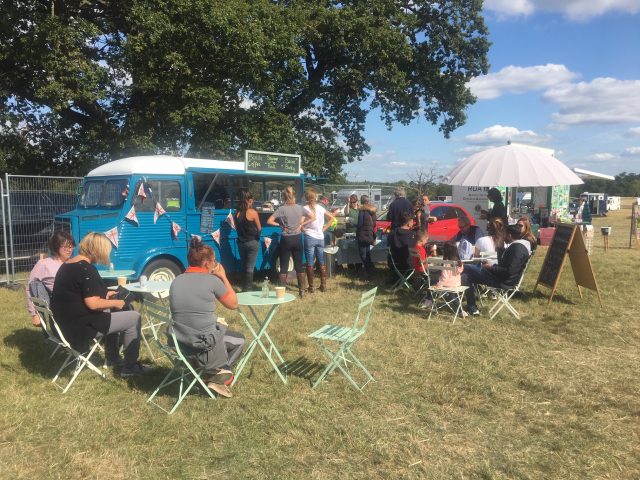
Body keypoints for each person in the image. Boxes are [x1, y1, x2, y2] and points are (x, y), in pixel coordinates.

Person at [50, 232, 150, 377]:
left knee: (114, 312)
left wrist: (106, 295)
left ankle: (113, 358)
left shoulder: (67, 265)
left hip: (64, 324)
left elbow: (81, 294)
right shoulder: (86, 269)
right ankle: (130, 367)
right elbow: (93, 303)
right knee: (133, 317)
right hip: (80, 328)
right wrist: (117, 302)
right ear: (98, 250)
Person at [169, 237, 243, 398]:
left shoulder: (176, 281)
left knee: (220, 330)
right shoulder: (211, 281)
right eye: (214, 261)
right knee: (240, 340)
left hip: (181, 342)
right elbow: (233, 303)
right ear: (207, 264)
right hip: (203, 342)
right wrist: (223, 276)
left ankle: (205, 371)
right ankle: (218, 374)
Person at [461, 224, 531, 315]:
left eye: (505, 234)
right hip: (501, 278)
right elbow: (505, 266)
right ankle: (473, 309)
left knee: (466, 267)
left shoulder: (517, 249)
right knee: (466, 276)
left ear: (509, 235)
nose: (503, 237)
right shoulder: (519, 246)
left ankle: (471, 306)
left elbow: (508, 271)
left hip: (503, 281)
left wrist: (491, 267)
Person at [267, 186, 314, 297]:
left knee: (283, 266)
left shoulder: (281, 209)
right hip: (297, 238)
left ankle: (282, 292)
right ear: (294, 196)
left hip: (286, 239)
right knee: (299, 265)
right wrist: (302, 224)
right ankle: (302, 291)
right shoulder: (300, 207)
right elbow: (312, 216)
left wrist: (280, 225)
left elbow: (269, 221)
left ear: (283, 197)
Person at [25, 231, 75, 326]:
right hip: (62, 305)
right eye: (66, 247)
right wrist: (34, 314)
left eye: (71, 246)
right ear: (56, 247)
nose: (70, 250)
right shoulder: (44, 264)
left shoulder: (73, 262)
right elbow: (30, 288)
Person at [419, 242, 465, 315]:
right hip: (456, 284)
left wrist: (438, 285)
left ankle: (428, 300)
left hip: (447, 284)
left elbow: (444, 277)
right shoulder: (459, 262)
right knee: (452, 296)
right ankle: (461, 311)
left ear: (446, 251)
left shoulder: (447, 263)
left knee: (432, 280)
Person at [303, 189, 335, 292]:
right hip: (320, 237)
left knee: (310, 262)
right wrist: (324, 229)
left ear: (306, 198)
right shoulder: (321, 208)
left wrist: (303, 229)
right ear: (315, 198)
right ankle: (323, 285)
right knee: (321, 261)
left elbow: (301, 223)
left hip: (309, 236)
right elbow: (332, 219)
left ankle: (311, 287)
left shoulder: (304, 208)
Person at [235, 190, 261, 291]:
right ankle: (248, 289)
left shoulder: (237, 213)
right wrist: (257, 239)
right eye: (252, 200)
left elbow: (237, 229)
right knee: (250, 267)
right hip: (252, 242)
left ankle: (243, 287)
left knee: (244, 264)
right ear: (249, 200)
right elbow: (259, 229)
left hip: (241, 242)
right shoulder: (253, 212)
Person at [355, 194, 377, 276]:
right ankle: (371, 270)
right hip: (370, 234)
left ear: (361, 201)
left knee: (362, 255)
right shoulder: (372, 210)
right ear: (368, 201)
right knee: (367, 253)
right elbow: (374, 223)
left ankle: (369, 271)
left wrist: (353, 224)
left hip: (362, 235)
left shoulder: (362, 211)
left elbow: (360, 224)